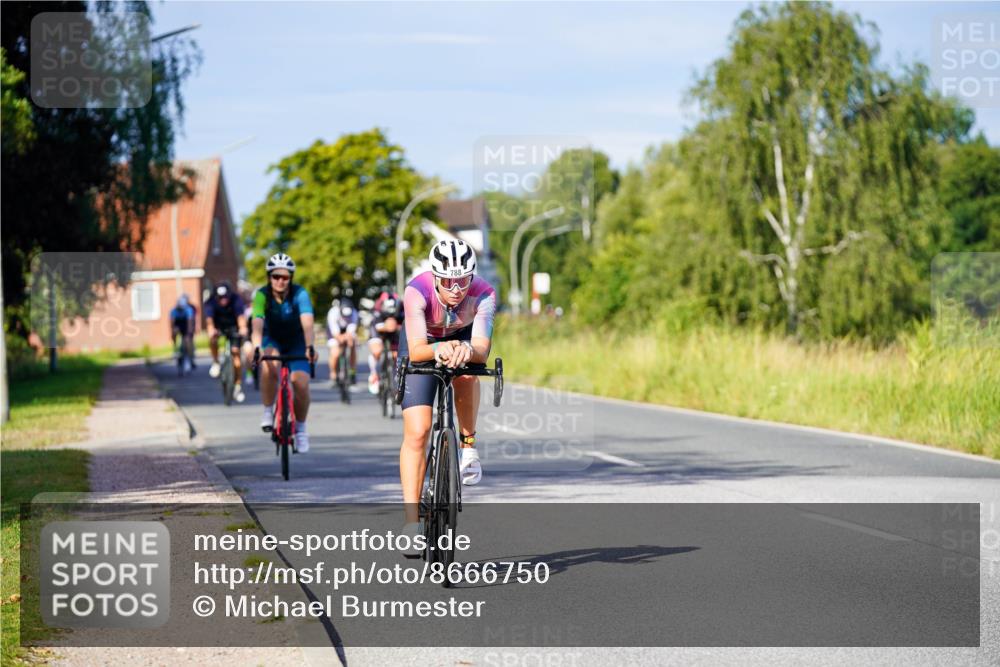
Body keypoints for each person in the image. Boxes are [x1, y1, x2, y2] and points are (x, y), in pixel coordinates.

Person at [398, 239, 496, 547]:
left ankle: (468, 448)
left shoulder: (484, 293)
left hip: (462, 340)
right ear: (436, 277)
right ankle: (412, 524)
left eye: (463, 280)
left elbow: (481, 349)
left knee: (466, 374)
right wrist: (440, 348)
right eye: (449, 281)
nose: (456, 288)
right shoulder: (416, 290)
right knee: (418, 431)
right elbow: (415, 351)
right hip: (425, 342)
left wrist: (464, 350)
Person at [250, 253, 318, 453]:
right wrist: (257, 348)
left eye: (285, 277)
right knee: (269, 367)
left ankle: (301, 429)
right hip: (273, 339)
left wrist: (309, 347)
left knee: (301, 383)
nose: (280, 281)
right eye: (275, 276)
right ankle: (267, 411)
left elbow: (307, 323)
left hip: (297, 341)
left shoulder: (300, 294)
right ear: (269, 277)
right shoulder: (262, 295)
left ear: (291, 278)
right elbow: (257, 323)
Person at [205, 281, 248, 402]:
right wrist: (211, 330)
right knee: (212, 339)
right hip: (219, 327)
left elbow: (241, 317)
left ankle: (238, 385)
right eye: (220, 298)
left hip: (234, 327)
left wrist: (243, 328)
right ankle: (216, 362)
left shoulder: (236, 299)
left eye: (225, 297)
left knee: (236, 354)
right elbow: (209, 320)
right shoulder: (211, 302)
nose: (223, 300)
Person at [367, 291, 402, 395]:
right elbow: (375, 325)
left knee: (398, 354)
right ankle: (374, 374)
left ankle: (396, 378)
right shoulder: (377, 309)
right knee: (377, 351)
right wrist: (385, 327)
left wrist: (397, 327)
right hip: (378, 330)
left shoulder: (402, 309)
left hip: (395, 331)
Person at [326, 296, 358, 388]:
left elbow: (351, 329)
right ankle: (333, 374)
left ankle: (352, 371)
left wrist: (348, 337)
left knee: (352, 344)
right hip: (334, 331)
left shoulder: (354, 313)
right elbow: (335, 332)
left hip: (347, 331)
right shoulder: (333, 313)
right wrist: (340, 339)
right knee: (335, 353)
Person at [169, 295, 196, 374]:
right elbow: (172, 323)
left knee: (188, 340)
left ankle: (190, 358)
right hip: (178, 324)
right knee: (174, 332)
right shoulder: (174, 311)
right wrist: (173, 333)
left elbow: (190, 322)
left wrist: (189, 333)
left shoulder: (188, 309)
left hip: (186, 324)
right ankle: (175, 348)